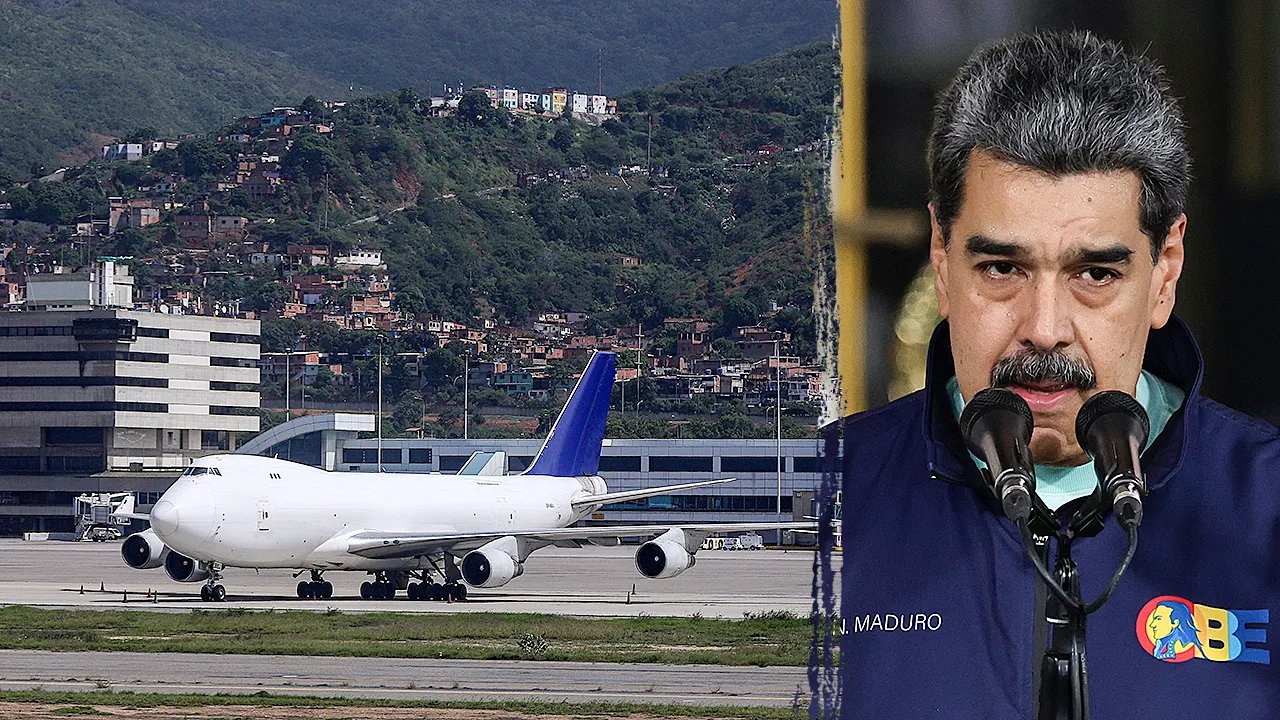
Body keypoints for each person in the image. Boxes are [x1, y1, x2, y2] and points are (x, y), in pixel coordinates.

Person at [838, 30, 1279, 718]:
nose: (1045, 327)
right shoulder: (817, 508)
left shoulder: (1268, 509)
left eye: (1095, 273)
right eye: (1002, 269)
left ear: (1165, 270)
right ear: (941, 257)